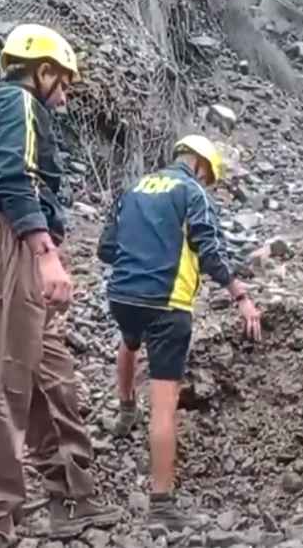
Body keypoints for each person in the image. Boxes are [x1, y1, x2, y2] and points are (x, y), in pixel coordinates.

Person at [0, 24, 120, 548]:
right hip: (7, 240)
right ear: (42, 71)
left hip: (13, 242)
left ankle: (70, 494)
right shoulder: (16, 102)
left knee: (50, 376)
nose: (63, 96)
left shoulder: (22, 107)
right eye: (62, 83)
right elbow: (15, 175)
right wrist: (45, 252)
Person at [97, 134, 262, 530]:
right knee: (165, 402)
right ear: (203, 166)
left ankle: (124, 412)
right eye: (209, 177)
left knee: (129, 340)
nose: (206, 183)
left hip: (123, 296)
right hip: (167, 305)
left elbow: (106, 249)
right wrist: (239, 293)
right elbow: (210, 251)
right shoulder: (192, 192)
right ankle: (162, 504)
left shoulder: (134, 188)